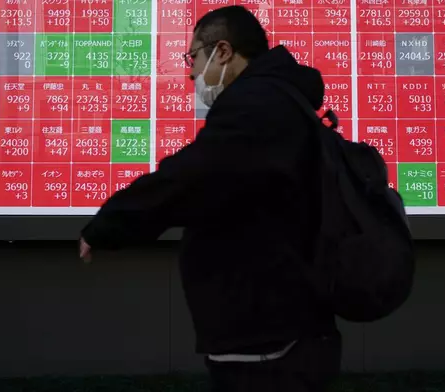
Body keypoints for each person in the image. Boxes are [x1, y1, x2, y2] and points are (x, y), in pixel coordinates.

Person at [79, 5, 341, 391]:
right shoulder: (281, 100)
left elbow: (187, 179)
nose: (190, 71)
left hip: (268, 344)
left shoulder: (257, 106)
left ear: (222, 51)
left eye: (193, 56)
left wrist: (108, 224)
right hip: (286, 328)